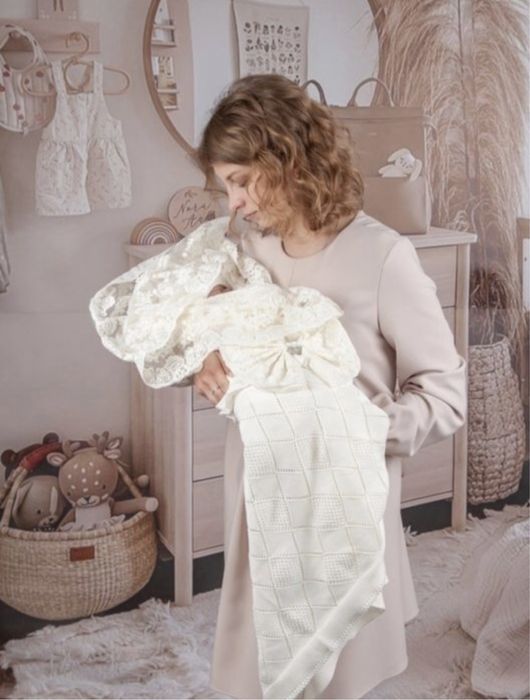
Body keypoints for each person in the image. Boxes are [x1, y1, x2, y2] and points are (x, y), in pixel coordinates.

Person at [192, 73, 466, 699]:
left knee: (336, 666)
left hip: (341, 497)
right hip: (260, 489)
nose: (234, 202)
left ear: (286, 159)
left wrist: (366, 429)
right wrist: (209, 358)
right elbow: (225, 331)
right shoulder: (252, 250)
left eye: (241, 181)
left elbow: (445, 391)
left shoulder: (382, 256)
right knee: (259, 655)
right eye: (226, 185)